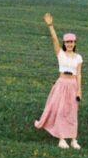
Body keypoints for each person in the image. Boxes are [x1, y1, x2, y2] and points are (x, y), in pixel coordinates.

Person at [34, 12, 82, 149]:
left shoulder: (78, 57)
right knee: (61, 111)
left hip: (73, 85)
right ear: (64, 43)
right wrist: (50, 26)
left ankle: (73, 139)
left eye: (72, 42)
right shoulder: (61, 54)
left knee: (72, 113)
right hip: (62, 84)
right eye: (67, 42)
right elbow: (54, 40)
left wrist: (79, 90)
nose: (70, 44)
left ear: (75, 43)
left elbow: (79, 74)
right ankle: (62, 139)